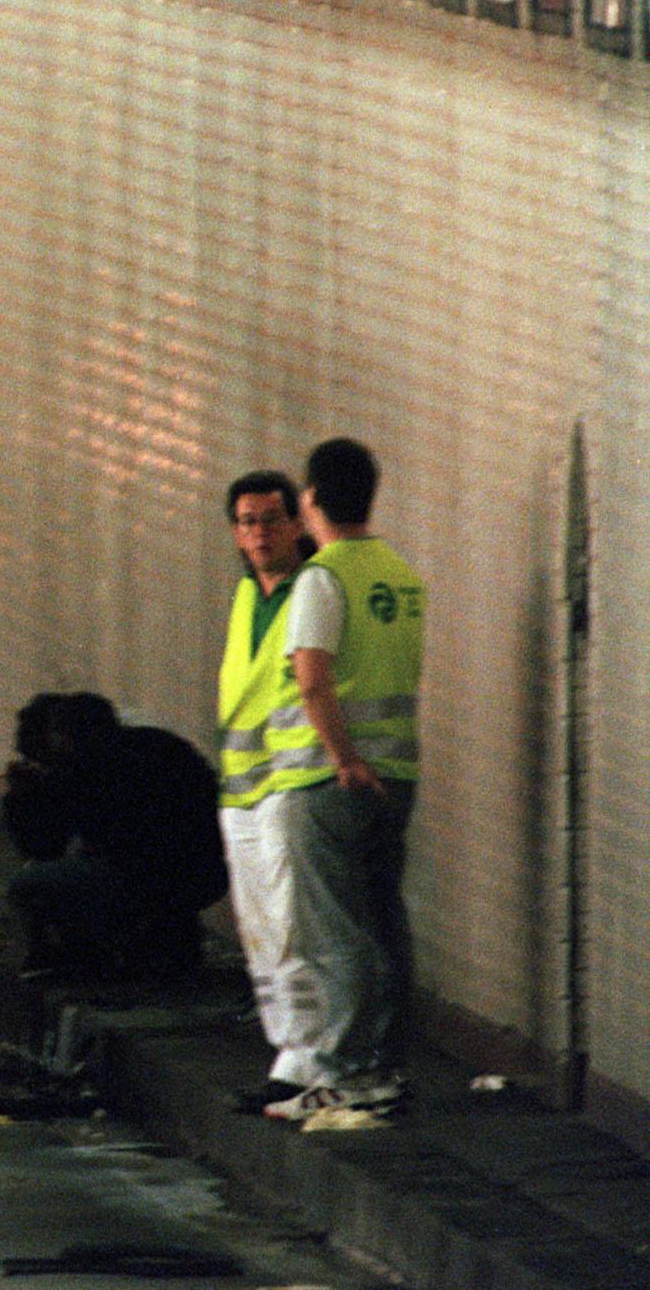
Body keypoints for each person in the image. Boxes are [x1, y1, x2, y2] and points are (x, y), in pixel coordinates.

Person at [252, 440, 425, 1122]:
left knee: (334, 930)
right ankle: (385, 1067)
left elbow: (313, 680)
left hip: (331, 779)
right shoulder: (400, 575)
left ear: (311, 499)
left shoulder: (322, 579)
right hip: (397, 772)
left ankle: (346, 1072)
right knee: (384, 921)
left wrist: (344, 757)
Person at [214, 469, 319, 1111]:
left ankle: (306, 1056)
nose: (259, 534)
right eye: (247, 522)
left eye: (271, 520)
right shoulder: (246, 596)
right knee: (258, 931)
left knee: (291, 928)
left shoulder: (311, 591)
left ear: (298, 524)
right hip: (242, 790)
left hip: (287, 783)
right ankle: (285, 1051)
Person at [0, 692, 225, 982]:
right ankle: (167, 946)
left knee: (29, 884)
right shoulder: (156, 744)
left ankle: (70, 959)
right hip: (209, 871)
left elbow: (44, 848)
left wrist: (23, 797)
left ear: (66, 737)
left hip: (145, 877)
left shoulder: (87, 769)